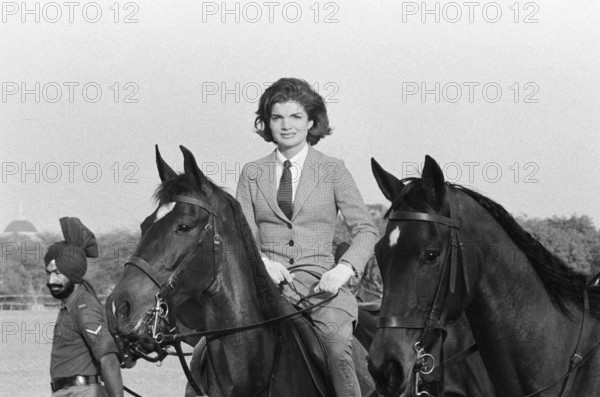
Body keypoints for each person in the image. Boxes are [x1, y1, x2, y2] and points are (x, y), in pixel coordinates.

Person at [236, 77, 378, 396]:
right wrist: (261, 262)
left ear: (311, 122)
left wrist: (344, 269)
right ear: (267, 123)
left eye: (296, 117)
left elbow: (366, 229)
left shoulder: (333, 170)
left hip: (321, 288)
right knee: (208, 347)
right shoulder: (251, 173)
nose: (287, 126)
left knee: (337, 344)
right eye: (277, 117)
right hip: (264, 287)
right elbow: (241, 235)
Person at [44, 217, 123, 397]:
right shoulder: (70, 305)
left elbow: (109, 359)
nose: (51, 281)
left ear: (73, 272)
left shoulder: (84, 308)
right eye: (48, 273)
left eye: (57, 273)